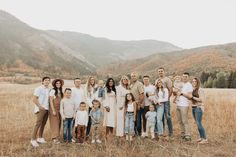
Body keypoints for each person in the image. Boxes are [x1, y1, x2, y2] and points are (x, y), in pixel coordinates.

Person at [31, 76, 50, 147]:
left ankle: (40, 138)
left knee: (43, 124)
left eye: (48, 80)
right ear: (42, 81)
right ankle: (33, 139)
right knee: (38, 124)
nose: (47, 81)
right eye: (46, 80)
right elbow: (34, 99)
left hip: (47, 109)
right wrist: (40, 107)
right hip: (41, 109)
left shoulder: (49, 90)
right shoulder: (39, 89)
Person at [174, 72, 193, 141]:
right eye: (183, 76)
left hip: (184, 105)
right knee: (180, 121)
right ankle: (183, 134)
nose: (184, 78)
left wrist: (182, 93)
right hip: (178, 104)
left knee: (185, 120)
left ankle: (188, 135)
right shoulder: (180, 84)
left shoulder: (189, 85)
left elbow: (190, 96)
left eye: (186, 77)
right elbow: (176, 93)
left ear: (188, 77)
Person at [157, 67, 173, 138]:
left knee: (168, 116)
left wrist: (167, 99)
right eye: (159, 71)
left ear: (164, 72)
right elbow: (156, 91)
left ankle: (171, 133)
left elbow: (170, 90)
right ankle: (162, 132)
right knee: (161, 117)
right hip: (159, 102)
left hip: (166, 102)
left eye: (161, 71)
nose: (160, 72)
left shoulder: (167, 79)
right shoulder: (157, 80)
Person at [191, 78, 208, 144]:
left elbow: (201, 99)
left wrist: (192, 97)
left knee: (199, 123)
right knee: (197, 123)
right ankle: (201, 137)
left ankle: (205, 139)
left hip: (199, 108)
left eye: (195, 81)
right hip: (193, 108)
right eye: (193, 81)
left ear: (198, 82)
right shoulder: (193, 90)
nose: (194, 82)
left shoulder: (200, 90)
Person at [49, 78, 64, 144]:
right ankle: (54, 138)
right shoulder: (52, 91)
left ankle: (57, 137)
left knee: (59, 123)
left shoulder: (60, 91)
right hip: (54, 109)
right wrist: (53, 110)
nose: (58, 84)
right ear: (55, 84)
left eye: (59, 83)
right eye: (57, 83)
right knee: (54, 123)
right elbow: (51, 101)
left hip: (59, 109)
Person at [130, 72, 144, 136]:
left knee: (138, 120)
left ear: (137, 77)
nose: (133, 77)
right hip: (132, 105)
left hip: (138, 104)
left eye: (134, 76)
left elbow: (142, 94)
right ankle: (135, 133)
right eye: (132, 76)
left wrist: (139, 104)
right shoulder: (131, 85)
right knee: (134, 120)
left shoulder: (139, 84)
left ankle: (139, 133)